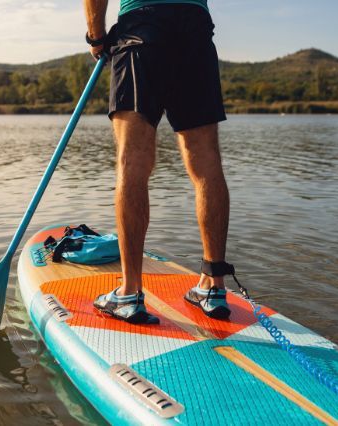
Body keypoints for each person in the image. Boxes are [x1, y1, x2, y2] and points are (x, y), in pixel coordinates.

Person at [84, 0, 236, 323]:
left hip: (142, 26)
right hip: (194, 28)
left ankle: (129, 292)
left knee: (132, 161)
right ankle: (213, 285)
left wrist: (96, 37)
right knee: (206, 162)